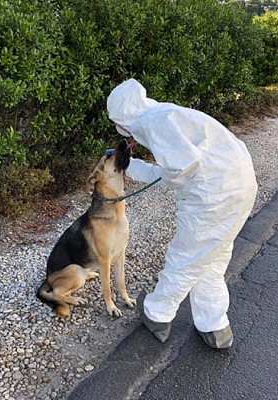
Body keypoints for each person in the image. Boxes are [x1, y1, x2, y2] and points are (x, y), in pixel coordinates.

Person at [107, 79, 257, 349]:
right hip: (240, 187)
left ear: (122, 120)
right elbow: (177, 168)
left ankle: (157, 314)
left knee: (185, 259)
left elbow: (180, 169)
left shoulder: (152, 123)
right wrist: (131, 166)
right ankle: (214, 325)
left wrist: (160, 174)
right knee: (211, 258)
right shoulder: (169, 113)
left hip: (212, 197)